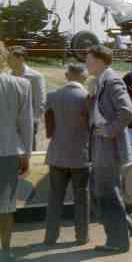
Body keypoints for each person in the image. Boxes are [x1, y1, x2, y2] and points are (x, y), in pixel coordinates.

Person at [86, 45, 132, 253]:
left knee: (107, 191)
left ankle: (117, 241)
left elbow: (127, 112)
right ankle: (124, 228)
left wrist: (109, 131)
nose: (85, 64)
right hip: (101, 142)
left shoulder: (112, 80)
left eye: (88, 60)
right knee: (100, 188)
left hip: (108, 142)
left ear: (99, 61)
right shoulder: (102, 80)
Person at [43, 64, 91, 246]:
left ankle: (50, 237)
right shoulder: (87, 97)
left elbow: (49, 128)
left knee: (55, 198)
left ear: (66, 75)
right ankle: (81, 236)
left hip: (57, 153)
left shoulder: (53, 96)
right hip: (81, 154)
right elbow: (90, 126)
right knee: (81, 198)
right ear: (84, 76)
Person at [0, 41, 34, 262]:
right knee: (6, 205)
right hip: (10, 150)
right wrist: (27, 154)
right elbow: (26, 124)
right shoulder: (21, 85)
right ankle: (6, 249)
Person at [7, 46, 46, 151]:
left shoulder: (36, 77)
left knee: (28, 154)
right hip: (9, 124)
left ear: (21, 58)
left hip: (28, 124)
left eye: (10, 58)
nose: (7, 61)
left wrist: (33, 122)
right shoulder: (7, 76)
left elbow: (40, 101)